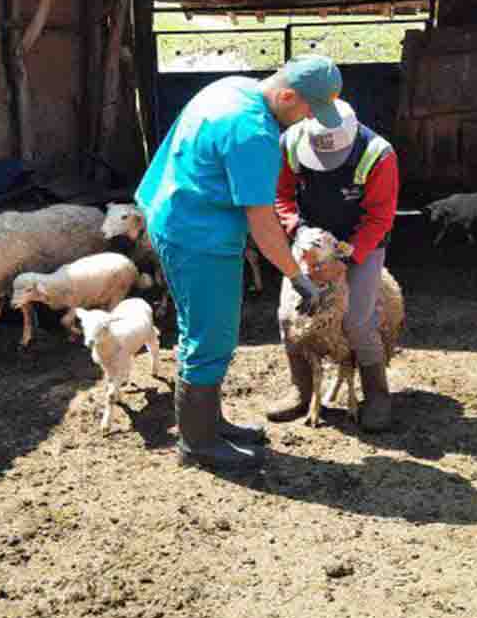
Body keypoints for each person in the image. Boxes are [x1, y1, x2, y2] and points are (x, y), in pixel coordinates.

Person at [135, 55, 340, 471]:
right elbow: (263, 224)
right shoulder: (253, 133)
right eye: (306, 111)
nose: (306, 121)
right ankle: (197, 443)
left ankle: (211, 424)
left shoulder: (232, 88)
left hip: (175, 212)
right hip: (199, 236)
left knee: (212, 329)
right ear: (287, 94)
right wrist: (297, 277)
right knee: (209, 335)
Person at [267, 97, 400, 432]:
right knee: (289, 316)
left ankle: (377, 393)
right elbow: (281, 194)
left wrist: (348, 259)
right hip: (309, 238)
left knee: (357, 319)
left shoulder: (378, 155)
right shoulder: (292, 142)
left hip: (360, 240)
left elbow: (380, 216)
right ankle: (301, 390)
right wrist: (297, 230)